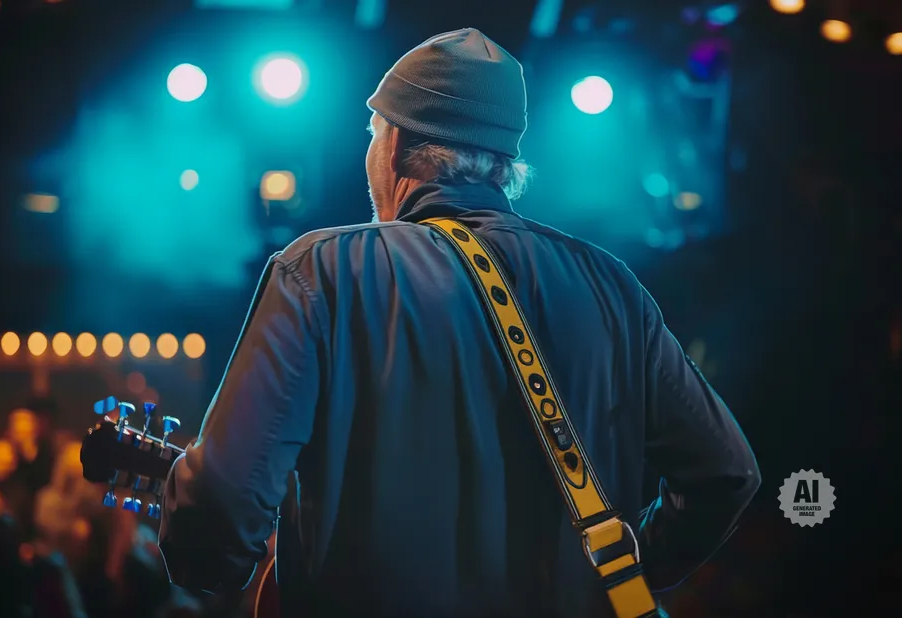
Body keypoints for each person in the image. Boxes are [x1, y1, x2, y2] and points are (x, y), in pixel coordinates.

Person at [158, 28, 760, 618]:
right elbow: (726, 472)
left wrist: (204, 560)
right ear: (501, 165)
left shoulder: (323, 271)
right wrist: (627, 574)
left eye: (373, 135)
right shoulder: (611, 287)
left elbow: (220, 506)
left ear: (394, 146)